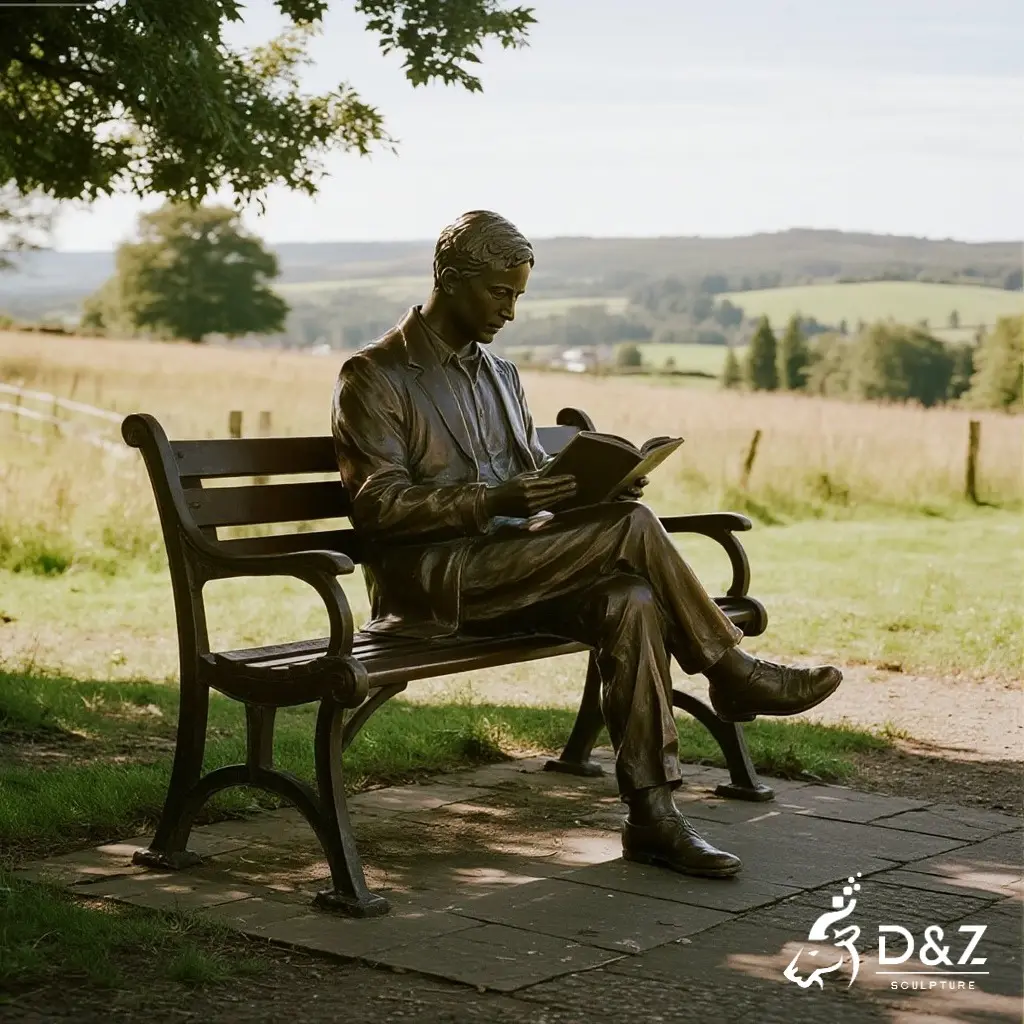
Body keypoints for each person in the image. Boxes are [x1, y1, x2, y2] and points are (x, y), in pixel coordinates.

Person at [332, 210, 842, 878]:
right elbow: (378, 508)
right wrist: (491, 502)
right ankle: (731, 672)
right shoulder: (376, 374)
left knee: (629, 597)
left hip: (521, 565)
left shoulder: (501, 374)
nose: (510, 311)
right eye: (499, 293)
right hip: (437, 583)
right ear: (450, 280)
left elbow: (529, 480)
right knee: (632, 532)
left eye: (519, 295)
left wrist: (593, 493)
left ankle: (653, 817)